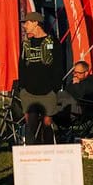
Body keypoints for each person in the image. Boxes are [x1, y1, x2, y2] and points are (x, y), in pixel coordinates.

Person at [19, 11, 64, 144]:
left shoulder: (53, 42)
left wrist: (55, 87)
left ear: (35, 23)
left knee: (47, 125)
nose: (24, 26)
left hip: (47, 92)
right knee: (31, 125)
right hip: (28, 92)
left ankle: (49, 152)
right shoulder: (26, 44)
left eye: (27, 23)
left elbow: (59, 66)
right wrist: (22, 86)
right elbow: (21, 65)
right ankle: (34, 153)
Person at [55, 61, 93, 127]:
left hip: (83, 111)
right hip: (71, 107)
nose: (75, 74)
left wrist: (76, 85)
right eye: (74, 72)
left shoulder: (92, 83)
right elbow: (68, 91)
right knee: (59, 95)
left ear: (86, 73)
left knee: (60, 96)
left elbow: (80, 95)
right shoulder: (76, 80)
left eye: (78, 73)